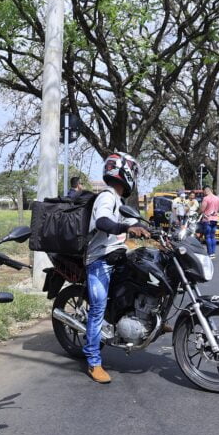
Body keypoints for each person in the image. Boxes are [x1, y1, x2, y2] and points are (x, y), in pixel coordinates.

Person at [83, 152, 150, 384]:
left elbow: (133, 221)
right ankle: (93, 361)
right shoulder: (106, 196)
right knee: (97, 308)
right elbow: (103, 221)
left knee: (144, 274)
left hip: (117, 255)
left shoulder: (120, 202)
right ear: (125, 171)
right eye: (134, 171)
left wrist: (153, 230)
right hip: (99, 259)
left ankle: (148, 318)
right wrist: (126, 228)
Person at [199, 185, 219, 258]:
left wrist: (199, 212)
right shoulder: (217, 198)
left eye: (203, 191)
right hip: (215, 219)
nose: (203, 193)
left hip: (207, 219)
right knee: (213, 236)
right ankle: (213, 253)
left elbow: (202, 209)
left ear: (206, 190)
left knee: (208, 236)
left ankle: (210, 253)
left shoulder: (206, 198)